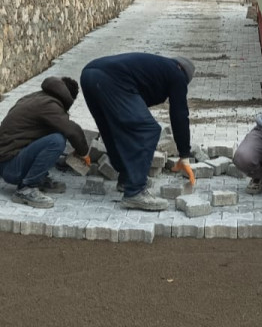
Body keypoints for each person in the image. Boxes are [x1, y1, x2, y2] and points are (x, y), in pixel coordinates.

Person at [80, 53, 197, 211]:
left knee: (112, 128)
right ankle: (135, 192)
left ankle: (127, 178)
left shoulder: (156, 68)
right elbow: (180, 115)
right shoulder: (177, 74)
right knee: (148, 130)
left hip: (89, 74)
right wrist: (184, 155)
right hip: (110, 79)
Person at [0, 76, 90, 209]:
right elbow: (72, 130)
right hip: (11, 167)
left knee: (54, 130)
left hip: (7, 162)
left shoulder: (38, 97)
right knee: (57, 140)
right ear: (68, 98)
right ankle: (27, 188)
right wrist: (84, 153)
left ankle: (39, 178)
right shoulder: (49, 106)